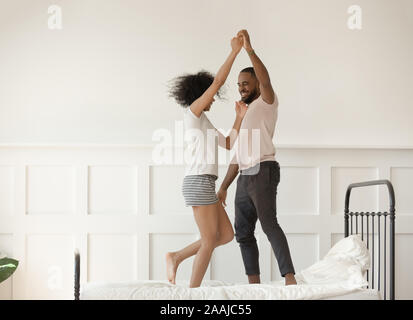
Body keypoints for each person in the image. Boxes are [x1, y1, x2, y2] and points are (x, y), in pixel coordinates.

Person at [166, 34, 248, 288]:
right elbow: (219, 81)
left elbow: (228, 143)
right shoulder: (192, 114)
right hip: (197, 182)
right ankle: (192, 293)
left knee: (225, 235)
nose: (213, 98)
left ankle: (176, 256)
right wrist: (235, 52)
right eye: (210, 94)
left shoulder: (204, 122)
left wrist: (239, 116)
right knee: (210, 239)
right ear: (201, 94)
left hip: (205, 183)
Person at [217, 30, 297, 286]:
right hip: (244, 175)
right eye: (239, 84)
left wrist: (249, 49)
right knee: (243, 232)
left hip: (264, 168)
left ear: (255, 85)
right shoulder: (243, 111)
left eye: (246, 82)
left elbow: (265, 80)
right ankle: (254, 284)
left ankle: (290, 279)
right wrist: (223, 187)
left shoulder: (266, 101)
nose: (242, 87)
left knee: (269, 224)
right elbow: (236, 152)